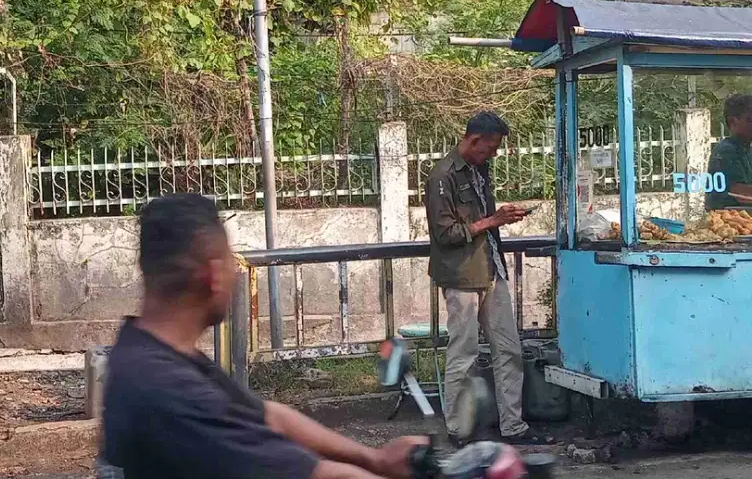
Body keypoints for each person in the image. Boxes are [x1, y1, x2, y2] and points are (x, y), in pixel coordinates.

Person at [101, 193, 429, 479]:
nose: (235, 272)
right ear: (213, 275)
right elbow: (314, 475)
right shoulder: (166, 387)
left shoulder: (152, 352)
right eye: (232, 260)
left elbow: (269, 415)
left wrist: (376, 458)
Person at [425, 112, 540, 446]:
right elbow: (444, 234)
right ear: (474, 140)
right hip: (462, 274)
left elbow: (483, 221)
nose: (492, 155)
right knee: (464, 353)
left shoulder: (479, 169)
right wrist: (493, 220)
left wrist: (497, 219)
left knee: (509, 349)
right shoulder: (442, 176)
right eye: (489, 148)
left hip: (491, 267)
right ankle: (459, 430)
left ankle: (513, 426)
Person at [706, 94, 752, 211]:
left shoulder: (746, 149)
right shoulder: (726, 151)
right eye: (750, 120)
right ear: (733, 121)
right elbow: (741, 194)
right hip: (729, 222)